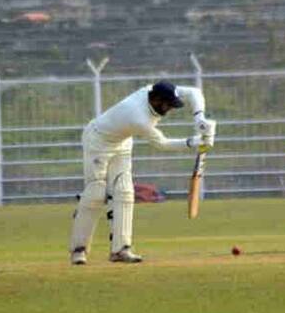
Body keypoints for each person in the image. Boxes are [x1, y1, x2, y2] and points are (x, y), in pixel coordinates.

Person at [69, 80, 215, 265]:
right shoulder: (138, 117)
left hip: (122, 142)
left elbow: (194, 92)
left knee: (125, 192)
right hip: (98, 140)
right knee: (96, 192)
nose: (169, 109)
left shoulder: (152, 90)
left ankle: (121, 250)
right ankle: (78, 251)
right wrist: (191, 142)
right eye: (167, 105)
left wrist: (199, 118)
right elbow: (161, 143)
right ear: (156, 100)